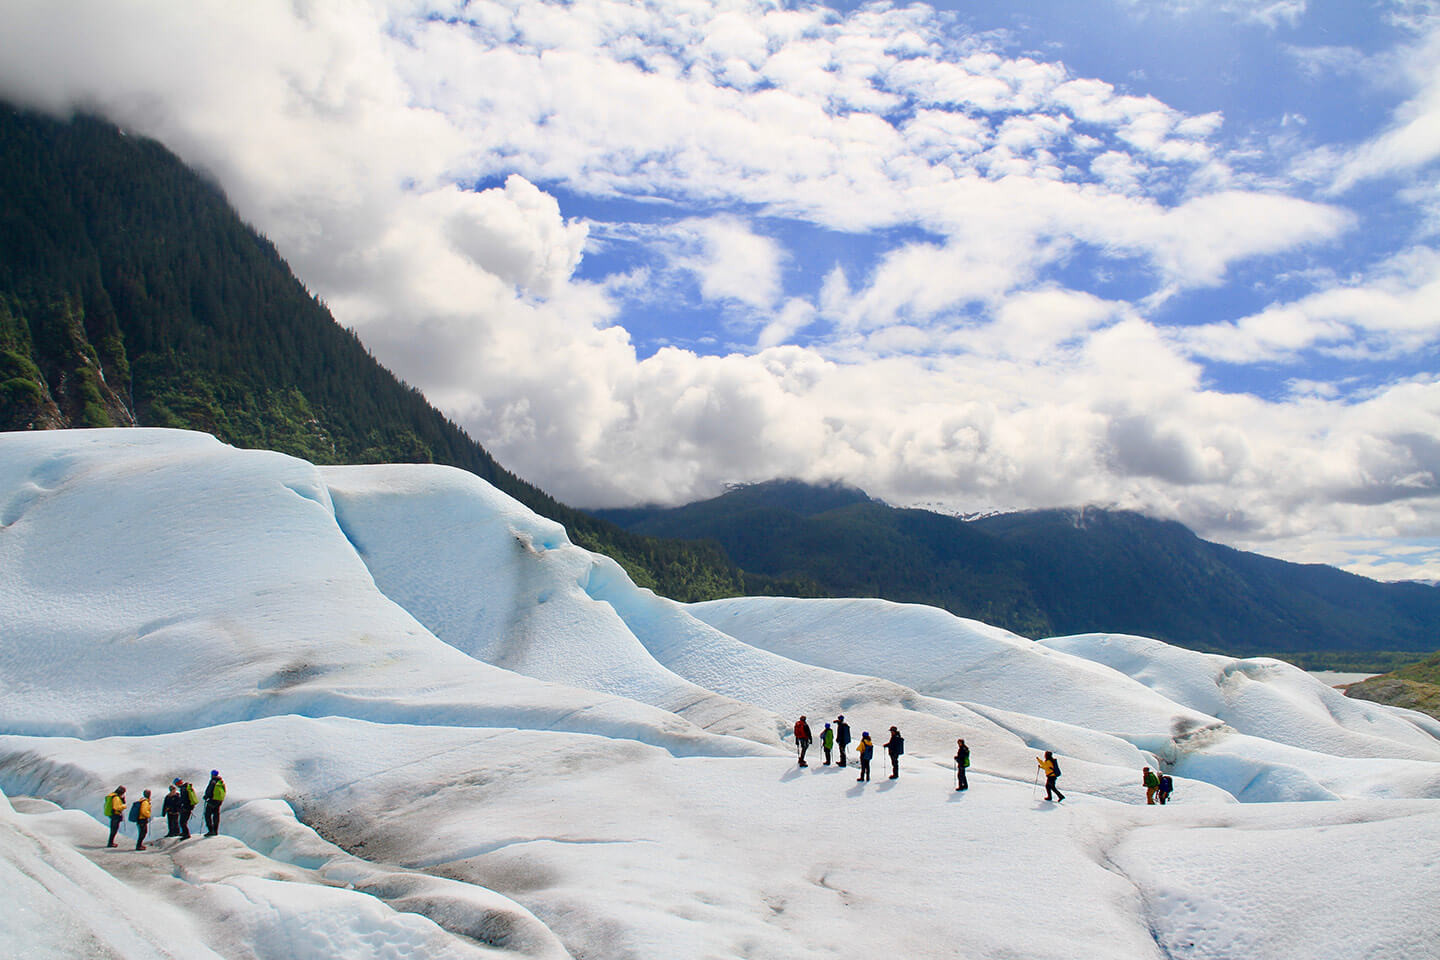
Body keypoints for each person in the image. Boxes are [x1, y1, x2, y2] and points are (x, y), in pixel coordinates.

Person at [203, 770, 226, 836]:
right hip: (218, 801)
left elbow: (209, 790)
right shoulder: (221, 782)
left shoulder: (213, 781)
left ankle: (210, 830)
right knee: (216, 815)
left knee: (207, 815)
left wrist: (206, 797)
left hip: (212, 801)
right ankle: (215, 831)